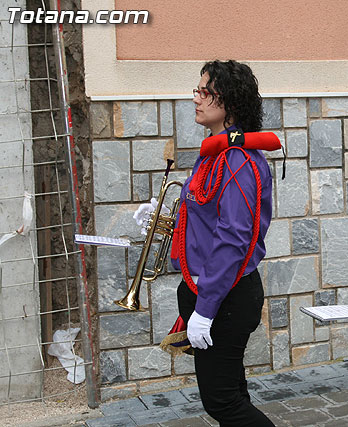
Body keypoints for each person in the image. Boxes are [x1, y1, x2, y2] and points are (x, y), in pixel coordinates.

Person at [136, 60, 275, 426]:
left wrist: (207, 308)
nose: (196, 99)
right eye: (197, 90)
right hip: (211, 291)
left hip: (224, 296)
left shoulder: (236, 161)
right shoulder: (215, 152)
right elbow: (205, 215)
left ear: (228, 100)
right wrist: (162, 217)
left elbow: (233, 240)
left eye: (205, 92)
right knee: (232, 394)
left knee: (223, 403)